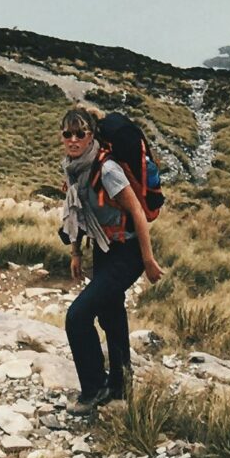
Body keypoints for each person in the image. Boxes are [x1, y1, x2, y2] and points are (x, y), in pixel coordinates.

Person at [60, 102, 162, 405]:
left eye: (81, 134)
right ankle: (120, 384)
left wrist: (148, 261)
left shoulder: (107, 169)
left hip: (127, 252)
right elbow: (75, 212)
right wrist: (76, 252)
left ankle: (94, 389)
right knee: (110, 314)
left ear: (92, 136)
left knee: (77, 317)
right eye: (68, 134)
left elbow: (137, 213)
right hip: (103, 248)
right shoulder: (72, 167)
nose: (74, 140)